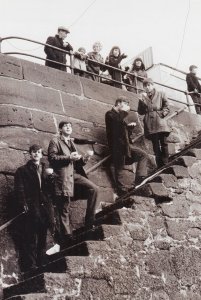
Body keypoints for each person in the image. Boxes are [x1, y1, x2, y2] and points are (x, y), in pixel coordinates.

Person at [48, 121, 98, 246]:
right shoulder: (55, 141)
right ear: (60, 129)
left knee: (94, 189)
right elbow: (52, 158)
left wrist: (85, 158)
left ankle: (89, 222)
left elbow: (77, 163)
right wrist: (69, 157)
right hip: (63, 177)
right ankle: (67, 237)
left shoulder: (71, 142)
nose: (69, 127)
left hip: (74, 175)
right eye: (66, 126)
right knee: (64, 207)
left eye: (70, 126)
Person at [14, 144, 55, 272]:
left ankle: (41, 263)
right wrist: (23, 204)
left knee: (43, 236)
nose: (36, 154)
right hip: (32, 207)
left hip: (45, 207)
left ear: (41, 154)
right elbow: (19, 189)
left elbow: (50, 190)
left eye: (38, 152)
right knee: (30, 237)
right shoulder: (22, 170)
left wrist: (51, 179)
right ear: (30, 154)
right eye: (34, 152)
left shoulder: (45, 169)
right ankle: (31, 266)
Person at [105, 97, 149, 197]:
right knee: (119, 167)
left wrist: (129, 128)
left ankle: (139, 178)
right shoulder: (110, 114)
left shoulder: (119, 116)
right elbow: (115, 127)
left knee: (142, 155)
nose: (127, 107)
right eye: (125, 104)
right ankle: (122, 190)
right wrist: (124, 112)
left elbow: (121, 131)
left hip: (125, 145)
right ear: (119, 103)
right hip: (117, 145)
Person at [138, 78, 170, 168]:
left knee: (163, 142)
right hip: (149, 123)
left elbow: (167, 105)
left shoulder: (161, 93)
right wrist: (141, 102)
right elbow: (140, 112)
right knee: (155, 144)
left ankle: (166, 162)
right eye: (145, 86)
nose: (147, 87)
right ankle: (160, 165)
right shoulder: (143, 97)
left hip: (159, 120)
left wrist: (162, 114)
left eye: (149, 85)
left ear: (153, 85)